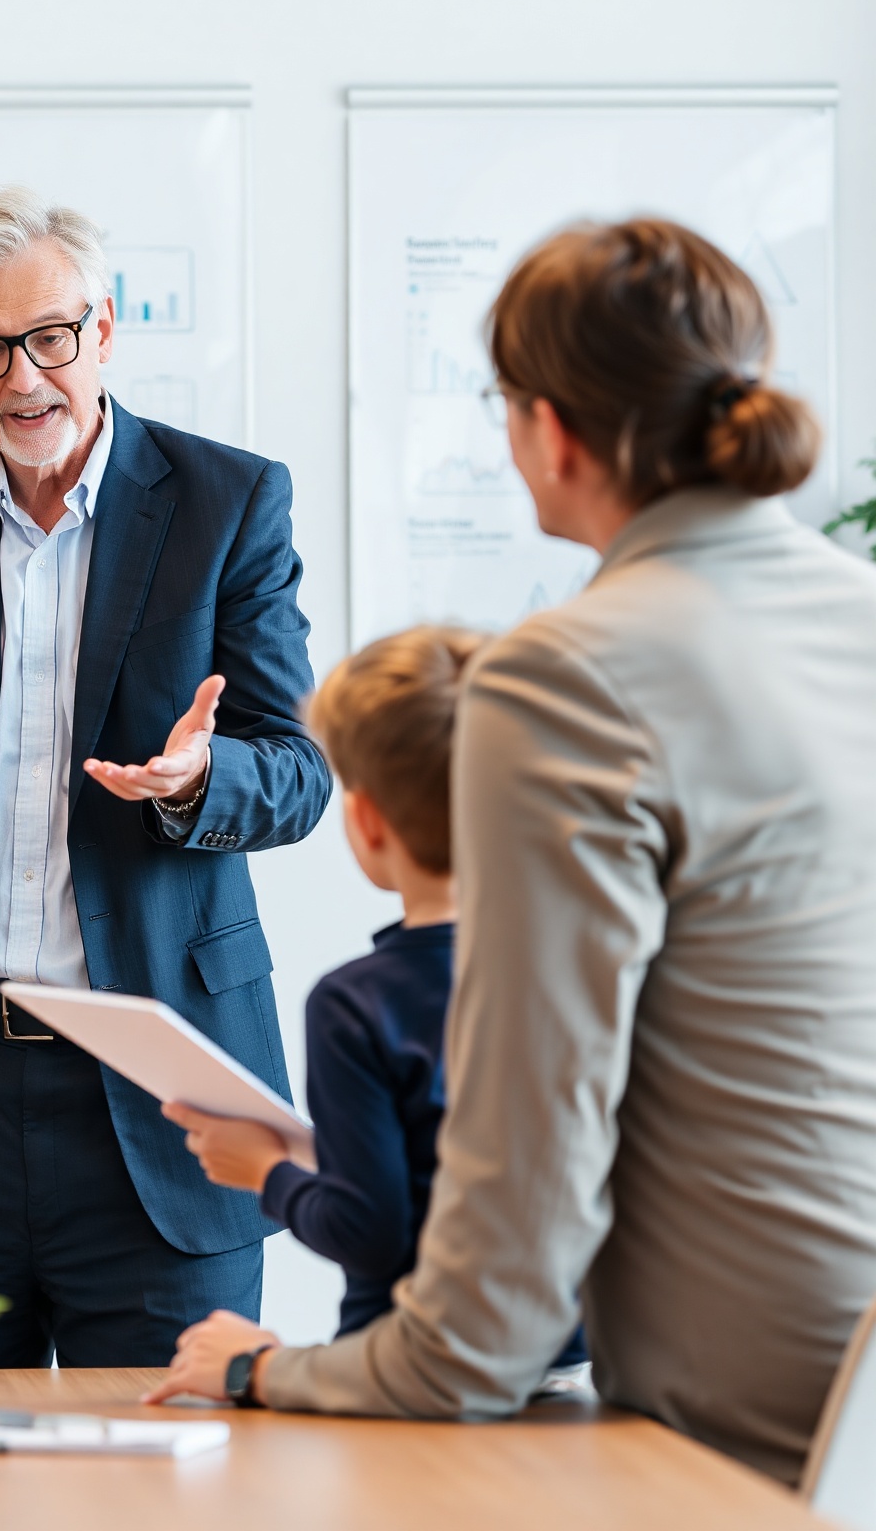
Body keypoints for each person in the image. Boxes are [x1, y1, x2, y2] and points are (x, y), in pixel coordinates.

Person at [152, 218, 876, 1485]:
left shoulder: (563, 674)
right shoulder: (852, 613)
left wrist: (267, 1367)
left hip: (733, 1419)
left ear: (548, 429)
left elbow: (487, 1302)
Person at [0, 187, 332, 1366]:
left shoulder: (228, 501)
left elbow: (298, 771)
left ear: (104, 328)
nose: (24, 377)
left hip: (164, 1088)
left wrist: (196, 781)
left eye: (49, 335)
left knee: (164, 1452)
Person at [154, 627, 582, 1370]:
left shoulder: (357, 1006)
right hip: (569, 1362)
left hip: (410, 1374)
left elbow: (370, 1231)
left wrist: (266, 1174)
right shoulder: (581, 977)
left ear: (367, 822)